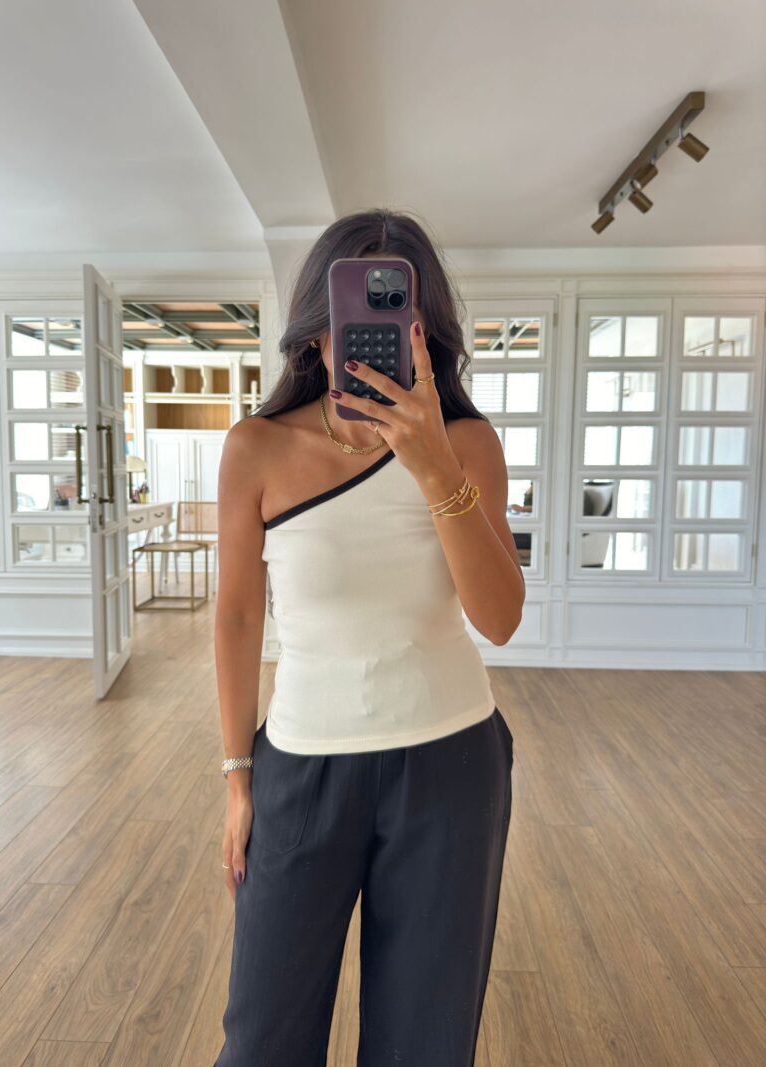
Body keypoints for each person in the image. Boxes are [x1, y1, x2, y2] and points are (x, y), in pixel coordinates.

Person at [213, 208, 525, 1067]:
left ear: (425, 334)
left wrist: (432, 465)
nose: (368, 340)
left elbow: (500, 617)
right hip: (301, 766)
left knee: (425, 1042)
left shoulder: (468, 445)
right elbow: (236, 616)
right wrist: (237, 776)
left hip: (451, 766)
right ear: (317, 330)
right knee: (262, 1042)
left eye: (397, 317)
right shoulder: (255, 448)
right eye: (352, 315)